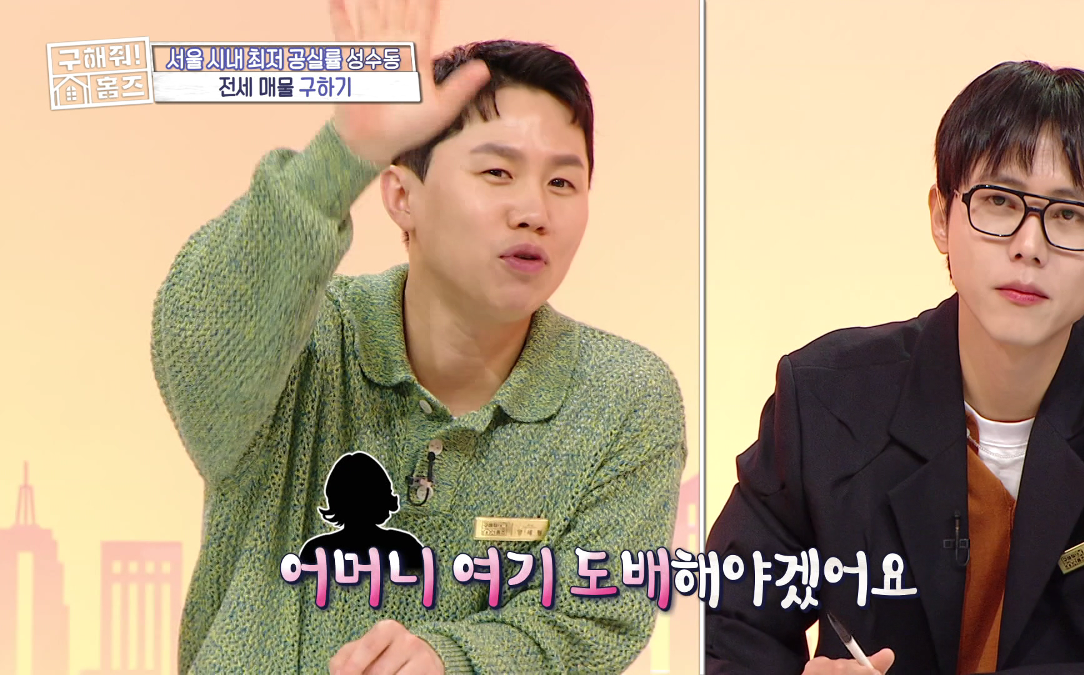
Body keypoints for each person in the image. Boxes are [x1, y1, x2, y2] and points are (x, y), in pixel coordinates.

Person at [151, 1, 687, 672]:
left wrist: (449, 660)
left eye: (562, 182)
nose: (534, 211)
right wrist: (339, 159)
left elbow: (596, 618)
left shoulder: (624, 398)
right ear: (402, 197)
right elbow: (200, 346)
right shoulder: (305, 341)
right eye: (497, 172)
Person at [705, 61, 1084, 674]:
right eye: (998, 202)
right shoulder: (825, 403)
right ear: (941, 217)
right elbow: (727, 625)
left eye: (1069, 215)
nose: (1029, 245)